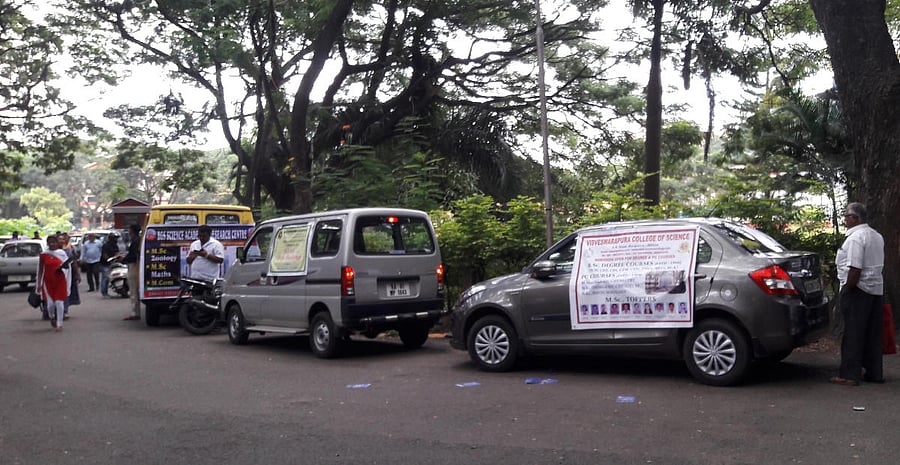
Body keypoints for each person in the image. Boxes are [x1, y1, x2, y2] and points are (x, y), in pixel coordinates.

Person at [831, 202, 886, 387]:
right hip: (876, 289)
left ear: (855, 218)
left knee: (853, 333)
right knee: (872, 333)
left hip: (858, 289)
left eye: (847, 216)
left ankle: (849, 374)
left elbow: (855, 268)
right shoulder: (876, 236)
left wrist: (848, 288)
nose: (845, 219)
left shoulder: (856, 238)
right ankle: (874, 372)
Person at [37, 234, 69, 332]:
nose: (52, 244)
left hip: (60, 280)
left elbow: (68, 267)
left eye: (54, 242)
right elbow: (40, 270)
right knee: (50, 305)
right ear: (47, 243)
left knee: (59, 302)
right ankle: (51, 317)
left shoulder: (62, 253)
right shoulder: (44, 255)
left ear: (57, 243)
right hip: (48, 282)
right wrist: (39, 283)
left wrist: (62, 268)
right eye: (50, 242)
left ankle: (59, 324)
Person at [122, 224, 142, 321]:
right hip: (135, 265)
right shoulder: (137, 239)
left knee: (133, 290)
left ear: (132, 231)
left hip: (133, 265)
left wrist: (123, 259)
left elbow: (133, 256)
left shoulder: (135, 240)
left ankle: (135, 313)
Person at [99, 232, 121, 298]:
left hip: (113, 263)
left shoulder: (115, 245)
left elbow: (117, 253)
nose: (116, 240)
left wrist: (118, 258)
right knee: (105, 278)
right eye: (115, 238)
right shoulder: (106, 245)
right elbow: (105, 256)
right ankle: (104, 292)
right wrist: (109, 260)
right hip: (105, 264)